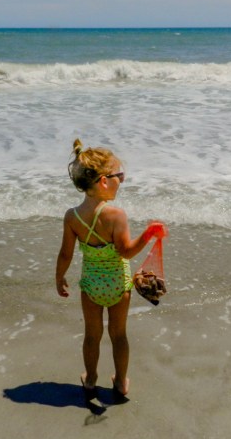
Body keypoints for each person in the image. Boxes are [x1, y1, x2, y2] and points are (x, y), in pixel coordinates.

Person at [55, 139, 166, 403]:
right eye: (120, 176)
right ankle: (121, 382)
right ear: (104, 181)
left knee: (92, 336)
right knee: (119, 335)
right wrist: (148, 234)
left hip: (92, 286)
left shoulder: (72, 216)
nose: (122, 181)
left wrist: (59, 277)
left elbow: (65, 254)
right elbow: (126, 251)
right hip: (119, 285)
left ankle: (91, 379)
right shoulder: (116, 215)